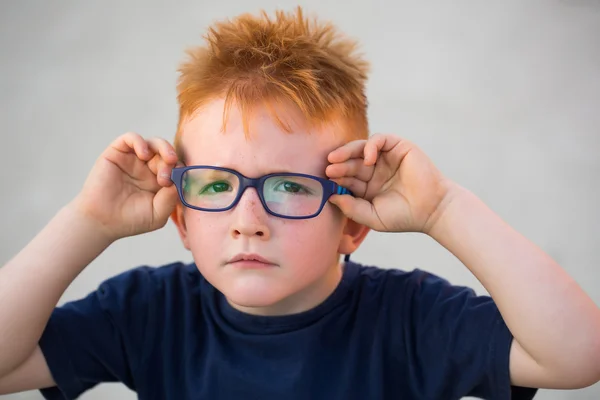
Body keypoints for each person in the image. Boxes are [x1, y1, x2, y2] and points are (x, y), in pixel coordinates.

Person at [1, 7, 599, 400]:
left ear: (353, 225)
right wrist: (87, 223)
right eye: (215, 186)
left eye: (289, 186)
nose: (248, 222)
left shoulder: (411, 322)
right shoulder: (148, 313)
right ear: (179, 216)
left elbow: (576, 356)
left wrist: (443, 209)